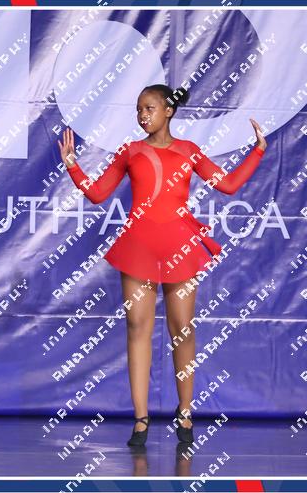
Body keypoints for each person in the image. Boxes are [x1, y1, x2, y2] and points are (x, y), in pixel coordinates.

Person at [58, 84, 267, 446]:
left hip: (179, 247)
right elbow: (97, 194)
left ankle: (185, 412)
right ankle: (140, 420)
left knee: (182, 329)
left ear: (168, 111)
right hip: (139, 247)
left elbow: (230, 185)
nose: (142, 115)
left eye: (149, 108)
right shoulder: (130, 151)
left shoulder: (188, 151)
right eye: (139, 109)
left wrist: (258, 150)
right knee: (137, 328)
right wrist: (73, 166)